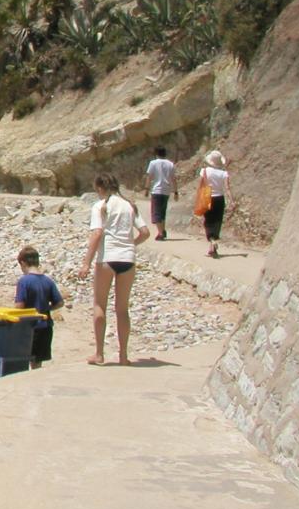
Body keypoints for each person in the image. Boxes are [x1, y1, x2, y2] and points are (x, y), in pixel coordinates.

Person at [78, 173, 149, 366]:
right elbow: (145, 232)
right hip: (127, 259)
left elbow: (97, 233)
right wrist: (130, 244)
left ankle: (100, 353)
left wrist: (86, 262)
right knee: (122, 309)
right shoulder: (130, 205)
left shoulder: (101, 206)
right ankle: (123, 356)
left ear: (100, 188)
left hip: (107, 258)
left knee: (100, 304)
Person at [13, 245, 64, 368]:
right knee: (37, 364)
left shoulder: (24, 281)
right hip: (46, 327)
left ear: (23, 263)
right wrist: (47, 308)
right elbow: (60, 303)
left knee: (23, 361)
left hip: (29, 328)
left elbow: (19, 306)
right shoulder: (48, 281)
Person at [196, 150, 233, 258]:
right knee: (217, 221)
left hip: (207, 198)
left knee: (208, 221)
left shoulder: (205, 171)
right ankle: (212, 248)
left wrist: (198, 197)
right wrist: (232, 200)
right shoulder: (224, 173)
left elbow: (200, 185)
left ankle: (212, 241)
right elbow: (227, 188)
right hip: (219, 199)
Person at [142, 147, 178, 240]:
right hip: (166, 190)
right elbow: (173, 179)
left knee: (156, 212)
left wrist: (146, 189)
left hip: (156, 190)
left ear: (156, 154)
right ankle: (163, 230)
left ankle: (160, 233)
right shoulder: (170, 164)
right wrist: (176, 191)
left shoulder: (153, 163)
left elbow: (149, 177)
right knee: (162, 212)